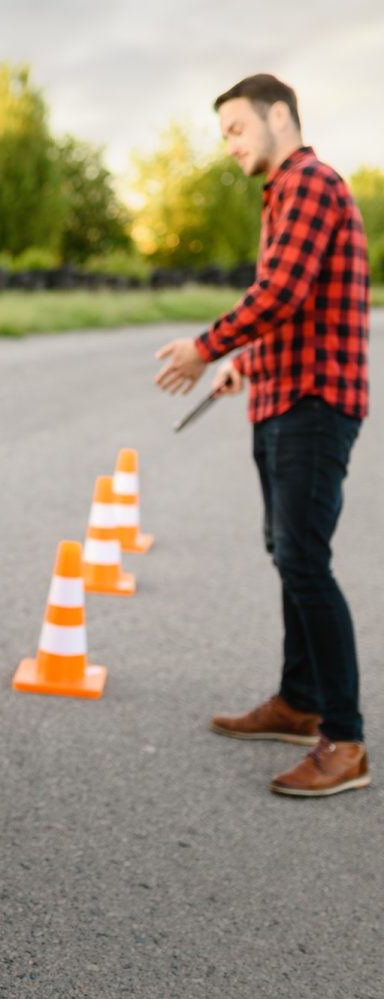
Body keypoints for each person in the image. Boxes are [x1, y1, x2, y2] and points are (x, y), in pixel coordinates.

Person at [153, 73, 371, 797]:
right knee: (289, 554)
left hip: (313, 405)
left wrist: (207, 347)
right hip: (282, 394)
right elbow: (293, 311)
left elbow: (279, 293)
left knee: (305, 561)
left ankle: (344, 741)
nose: (231, 146)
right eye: (225, 136)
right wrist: (245, 362)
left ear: (281, 115)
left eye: (237, 129)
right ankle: (298, 699)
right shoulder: (283, 194)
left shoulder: (308, 181)